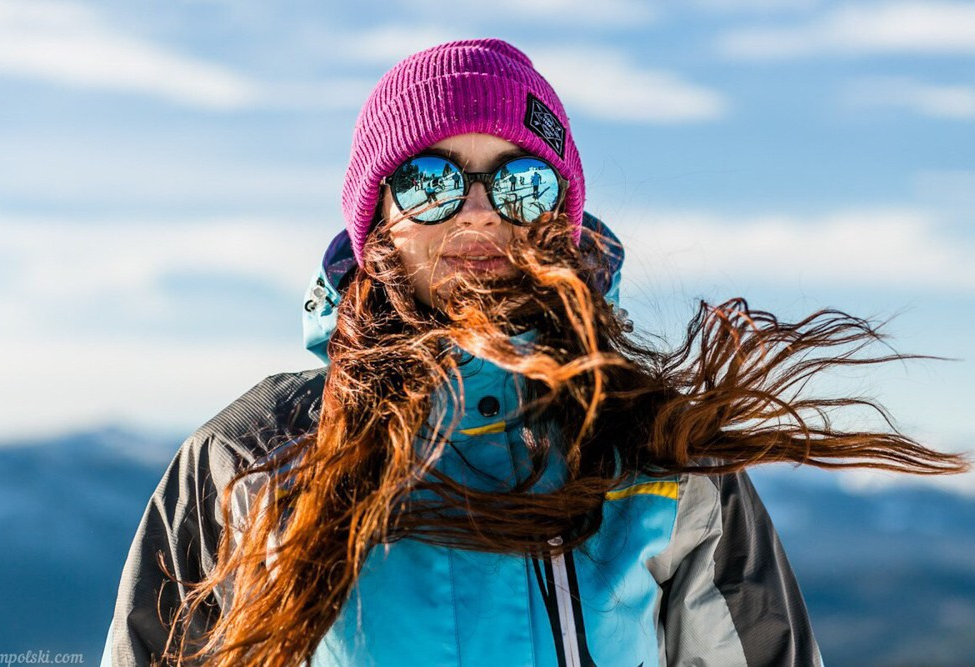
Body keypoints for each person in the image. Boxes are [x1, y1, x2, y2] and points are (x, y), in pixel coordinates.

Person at [100, 38, 968, 667]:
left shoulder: (662, 456)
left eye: (519, 180)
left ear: (560, 212)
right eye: (432, 181)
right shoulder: (249, 459)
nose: (479, 211)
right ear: (375, 223)